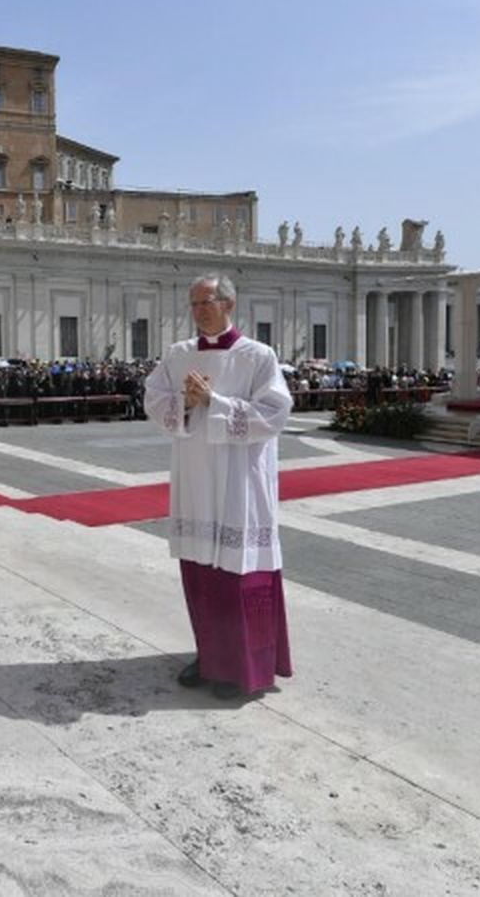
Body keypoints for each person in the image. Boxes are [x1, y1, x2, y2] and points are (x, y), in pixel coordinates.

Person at [143, 273, 293, 699]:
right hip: (195, 481)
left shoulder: (257, 355)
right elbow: (153, 399)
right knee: (202, 576)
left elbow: (275, 413)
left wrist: (215, 402)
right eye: (193, 304)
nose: (197, 311)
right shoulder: (178, 355)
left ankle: (243, 670)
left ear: (228, 303)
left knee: (239, 576)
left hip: (239, 484)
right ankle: (210, 657)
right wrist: (184, 403)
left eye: (205, 302)